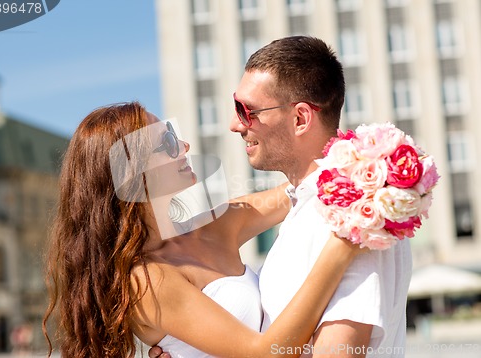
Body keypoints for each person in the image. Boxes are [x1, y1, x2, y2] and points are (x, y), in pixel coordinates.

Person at [42, 101, 367, 358]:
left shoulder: (216, 225)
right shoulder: (146, 281)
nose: (183, 145)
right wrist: (341, 250)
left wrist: (382, 162)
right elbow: (267, 352)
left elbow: (308, 187)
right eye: (166, 141)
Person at [229, 36, 413, 357]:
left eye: (247, 110)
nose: (236, 125)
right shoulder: (309, 203)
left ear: (300, 118)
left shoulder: (356, 212)